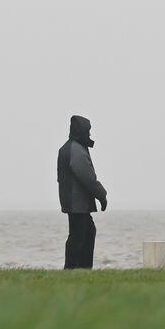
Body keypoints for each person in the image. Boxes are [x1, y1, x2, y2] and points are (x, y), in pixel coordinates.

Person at [57, 114, 107, 269]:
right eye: (87, 131)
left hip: (74, 201)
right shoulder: (76, 150)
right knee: (79, 236)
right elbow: (87, 177)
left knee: (87, 232)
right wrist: (102, 194)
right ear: (81, 131)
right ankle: (73, 268)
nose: (89, 134)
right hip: (77, 202)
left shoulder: (71, 147)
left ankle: (80, 269)